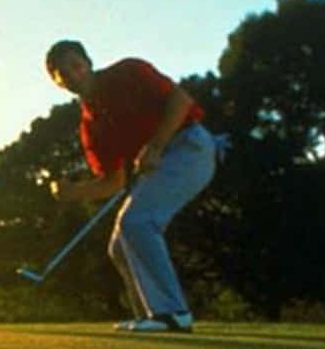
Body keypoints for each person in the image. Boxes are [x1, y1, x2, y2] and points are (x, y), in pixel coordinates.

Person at [45, 39, 223, 332]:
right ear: (57, 82)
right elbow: (114, 182)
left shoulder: (128, 71)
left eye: (76, 66)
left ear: (88, 63)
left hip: (191, 146)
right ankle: (148, 315)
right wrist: (73, 193)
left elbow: (181, 101)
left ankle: (173, 314)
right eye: (63, 73)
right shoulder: (90, 126)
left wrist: (155, 144)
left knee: (137, 223)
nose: (73, 75)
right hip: (161, 162)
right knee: (119, 244)